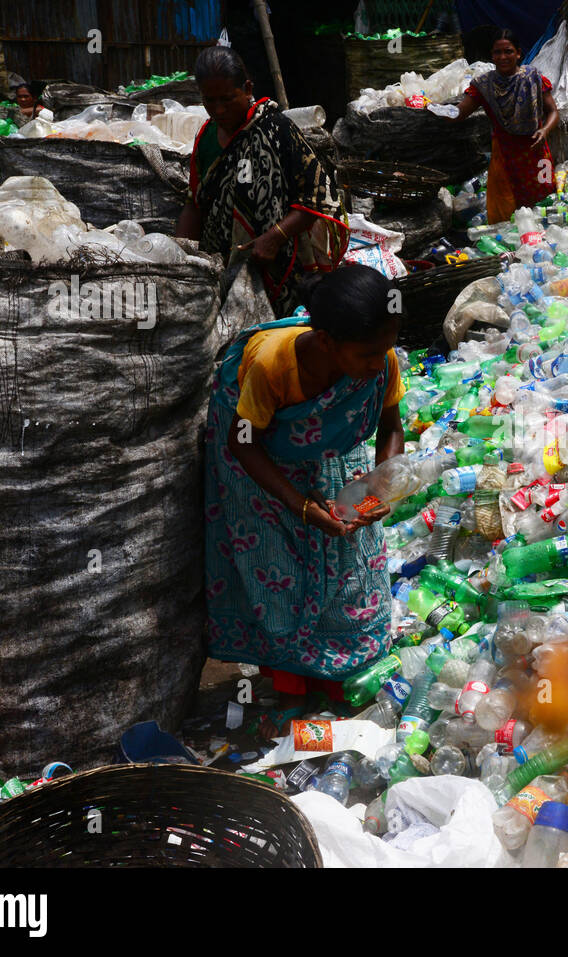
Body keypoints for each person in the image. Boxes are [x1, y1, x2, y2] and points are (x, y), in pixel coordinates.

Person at [203, 264, 405, 720]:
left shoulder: (380, 360)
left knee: (353, 562)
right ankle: (290, 680)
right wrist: (300, 506)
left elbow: (391, 426)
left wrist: (379, 485)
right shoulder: (273, 365)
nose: (379, 364)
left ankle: (340, 675)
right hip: (256, 454)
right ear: (329, 342)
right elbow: (243, 442)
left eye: (386, 350)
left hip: (327, 447)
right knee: (278, 565)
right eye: (367, 355)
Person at [176, 46, 346, 317]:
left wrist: (274, 237)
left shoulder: (276, 130)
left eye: (228, 99)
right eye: (209, 100)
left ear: (247, 88)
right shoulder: (206, 136)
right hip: (220, 265)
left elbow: (317, 196)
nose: (218, 109)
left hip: (276, 265)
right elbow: (194, 203)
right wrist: (182, 257)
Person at [450, 29, 560, 225]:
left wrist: (545, 130)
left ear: (518, 53)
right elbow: (459, 113)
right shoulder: (483, 85)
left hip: (536, 151)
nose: (503, 57)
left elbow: (553, 111)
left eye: (508, 51)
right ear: (491, 55)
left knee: (545, 201)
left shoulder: (533, 78)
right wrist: (435, 111)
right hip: (505, 154)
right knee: (504, 210)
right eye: (497, 53)